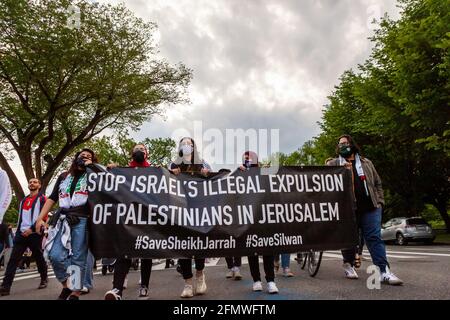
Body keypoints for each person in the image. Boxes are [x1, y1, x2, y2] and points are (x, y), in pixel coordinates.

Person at [326, 135, 403, 285]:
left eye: (346, 143)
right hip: (348, 209)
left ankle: (384, 271)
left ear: (353, 145)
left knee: (374, 237)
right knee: (350, 239)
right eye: (340, 144)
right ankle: (348, 264)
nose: (343, 146)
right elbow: (325, 177)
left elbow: (377, 183)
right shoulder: (335, 163)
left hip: (371, 207)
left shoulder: (366, 163)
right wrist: (332, 165)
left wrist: (380, 201)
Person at [35, 148, 97, 300]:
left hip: (82, 219)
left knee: (78, 258)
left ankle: (76, 291)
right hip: (62, 219)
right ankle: (66, 285)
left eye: (89, 157)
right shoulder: (63, 176)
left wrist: (92, 168)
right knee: (54, 255)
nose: (85, 157)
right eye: (82, 155)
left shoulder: (94, 175)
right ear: (76, 158)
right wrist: (40, 218)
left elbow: (109, 184)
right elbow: (52, 198)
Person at [104, 144, 154, 300]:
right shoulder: (123, 173)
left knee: (146, 253)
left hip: (147, 217)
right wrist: (111, 170)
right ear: (131, 153)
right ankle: (117, 289)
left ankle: (144, 286)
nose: (139, 151)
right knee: (123, 251)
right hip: (128, 218)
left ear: (147, 154)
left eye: (142, 149)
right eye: (136, 149)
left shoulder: (155, 172)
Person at [169, 137, 211, 298]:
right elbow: (163, 182)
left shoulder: (203, 163)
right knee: (183, 247)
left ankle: (200, 275)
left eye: (189, 143)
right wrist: (171, 174)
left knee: (199, 245)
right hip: (180, 210)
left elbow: (212, 183)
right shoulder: (173, 164)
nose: (186, 146)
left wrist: (206, 174)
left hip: (199, 210)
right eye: (183, 143)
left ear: (194, 147)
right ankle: (188, 282)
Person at [0, 178, 48, 296]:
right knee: (13, 260)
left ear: (39, 186)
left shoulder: (43, 199)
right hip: (21, 234)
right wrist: (18, 233)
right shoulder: (23, 200)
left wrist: (31, 229)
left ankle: (44, 278)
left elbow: (44, 216)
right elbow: (20, 217)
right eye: (30, 182)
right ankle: (5, 287)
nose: (32, 183)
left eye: (35, 182)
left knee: (38, 257)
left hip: (35, 233)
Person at [240, 151, 279, 294]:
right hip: (249, 217)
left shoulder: (264, 172)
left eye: (250, 158)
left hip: (264, 217)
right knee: (252, 251)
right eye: (245, 159)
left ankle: (271, 281)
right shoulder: (241, 173)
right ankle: (256, 280)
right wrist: (240, 173)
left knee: (267, 250)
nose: (247, 160)